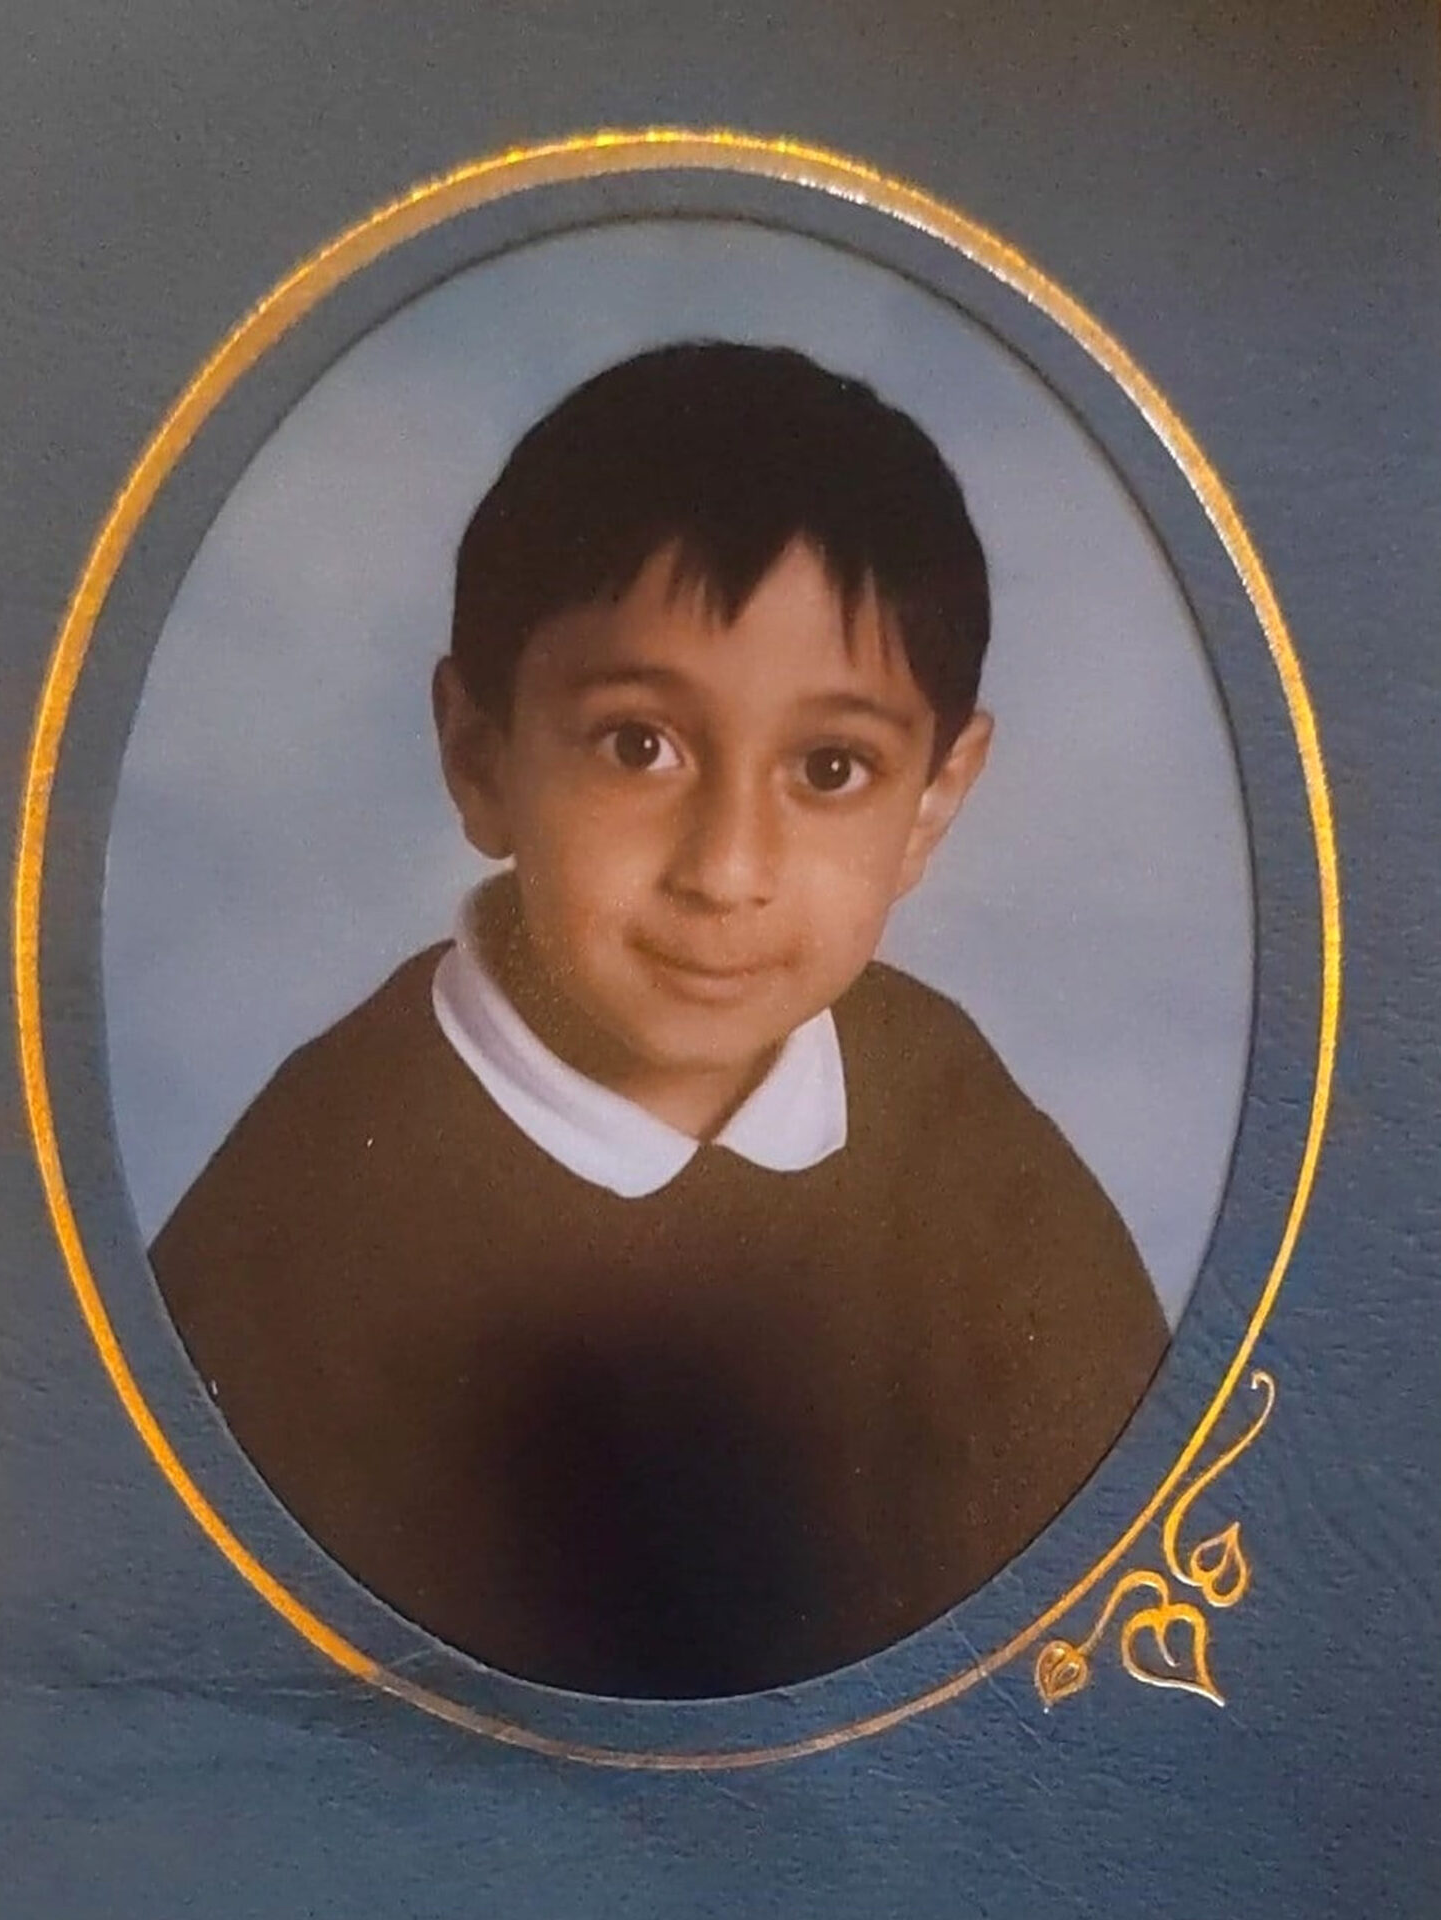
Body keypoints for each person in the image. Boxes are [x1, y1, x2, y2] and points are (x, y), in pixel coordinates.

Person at [152, 342, 1168, 1698]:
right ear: (480, 758)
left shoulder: (945, 1110)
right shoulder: (301, 1219)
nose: (726, 867)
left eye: (830, 768)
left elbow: (1111, 1586)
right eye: (640, 744)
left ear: (932, 800)